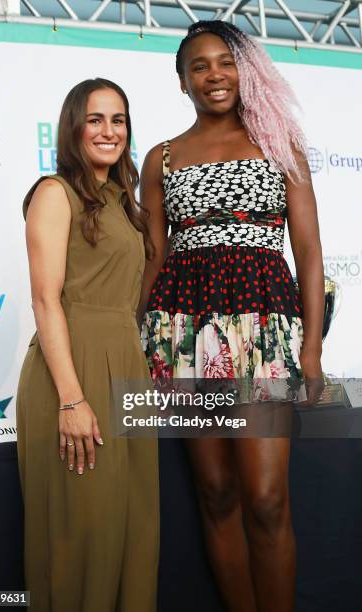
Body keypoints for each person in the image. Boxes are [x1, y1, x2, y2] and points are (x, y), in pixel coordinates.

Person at [139, 21, 324, 612]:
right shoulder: (160, 157)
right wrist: (133, 342)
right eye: (199, 65)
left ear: (244, 70)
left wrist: (312, 349)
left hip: (264, 334)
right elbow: (153, 261)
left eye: (225, 62)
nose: (214, 74)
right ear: (181, 80)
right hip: (185, 332)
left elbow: (310, 253)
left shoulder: (280, 142)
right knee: (216, 494)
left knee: (267, 497)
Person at [17, 78, 159, 612]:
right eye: (95, 119)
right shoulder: (55, 192)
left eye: (118, 119)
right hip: (72, 372)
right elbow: (46, 300)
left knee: (136, 528)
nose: (108, 130)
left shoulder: (126, 202)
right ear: (73, 126)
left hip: (127, 365)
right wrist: (72, 400)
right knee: (85, 536)